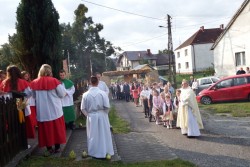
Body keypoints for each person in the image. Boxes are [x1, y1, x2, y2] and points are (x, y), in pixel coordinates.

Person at [30, 64, 66, 155]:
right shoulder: (55, 81)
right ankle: (57, 147)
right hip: (55, 109)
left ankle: (49, 148)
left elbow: (33, 96)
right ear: (50, 71)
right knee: (56, 129)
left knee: (46, 130)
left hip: (43, 111)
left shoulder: (34, 82)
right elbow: (62, 94)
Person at [81, 76, 114, 159]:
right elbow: (107, 107)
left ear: (90, 83)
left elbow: (82, 108)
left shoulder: (85, 95)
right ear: (98, 83)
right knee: (103, 134)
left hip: (91, 117)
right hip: (102, 116)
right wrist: (104, 114)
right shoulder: (103, 93)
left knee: (93, 134)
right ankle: (105, 150)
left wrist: (88, 115)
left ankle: (93, 152)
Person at [0, 65, 33, 148]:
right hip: (20, 104)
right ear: (18, 72)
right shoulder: (22, 81)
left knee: (12, 125)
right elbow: (28, 94)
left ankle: (14, 145)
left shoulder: (4, 82)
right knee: (21, 124)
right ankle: (23, 144)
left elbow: (3, 94)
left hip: (9, 106)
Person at [21, 71, 37, 138]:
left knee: (31, 114)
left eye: (27, 76)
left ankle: (34, 125)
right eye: (25, 76)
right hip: (24, 101)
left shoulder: (29, 82)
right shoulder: (21, 83)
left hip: (30, 101)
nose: (27, 77)